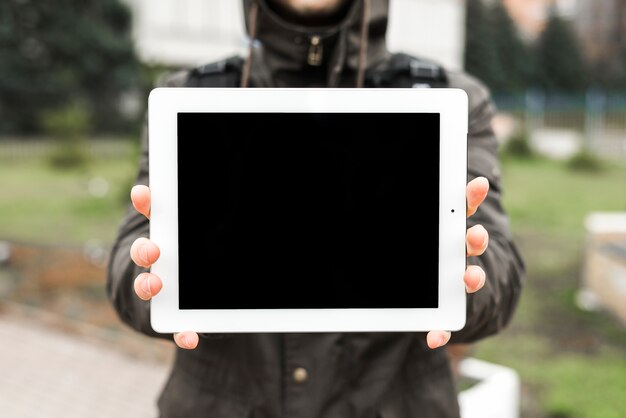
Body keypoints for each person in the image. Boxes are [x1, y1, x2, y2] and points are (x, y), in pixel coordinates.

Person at [106, 0, 526, 416]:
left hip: (394, 401)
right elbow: (130, 266)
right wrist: (153, 280)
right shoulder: (192, 97)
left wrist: (467, 284)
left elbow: (499, 281)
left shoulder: (448, 99)